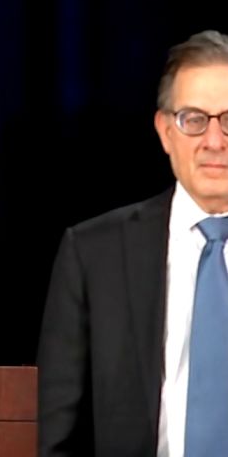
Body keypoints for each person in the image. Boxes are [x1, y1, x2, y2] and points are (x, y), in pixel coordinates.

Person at [38, 30, 228, 456]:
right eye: (194, 120)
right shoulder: (93, 255)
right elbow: (58, 439)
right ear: (165, 132)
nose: (214, 141)